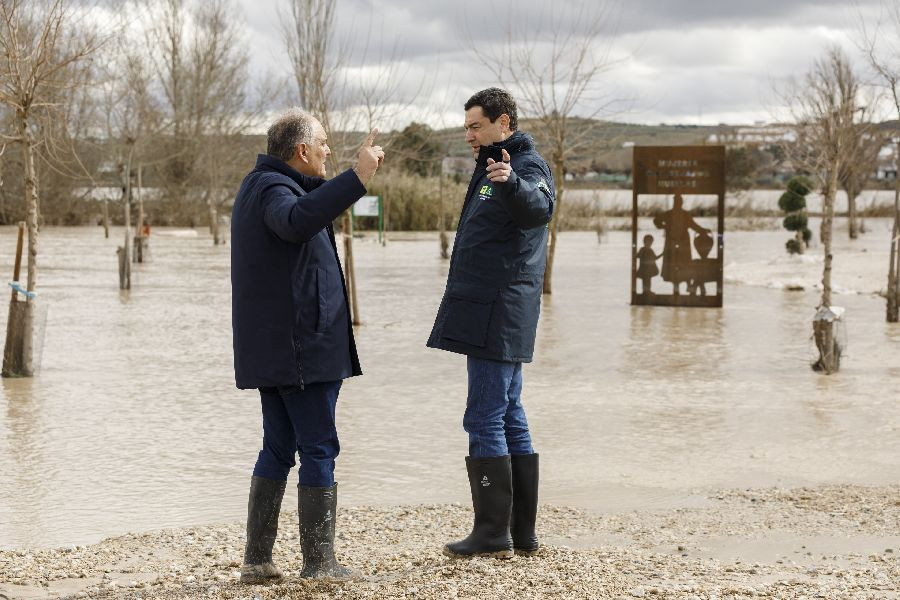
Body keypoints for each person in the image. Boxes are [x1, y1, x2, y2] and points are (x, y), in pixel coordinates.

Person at [230, 108, 384, 583]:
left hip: (281, 351)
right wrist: (357, 176)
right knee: (319, 447)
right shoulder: (275, 191)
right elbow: (295, 220)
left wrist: (350, 177)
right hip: (300, 352)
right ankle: (320, 564)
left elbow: (310, 201)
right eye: (322, 144)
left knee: (277, 449)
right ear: (300, 150)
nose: (327, 150)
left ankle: (258, 562)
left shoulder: (265, 184)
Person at [427, 88, 555, 559]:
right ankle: (520, 535)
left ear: (504, 122)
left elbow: (539, 209)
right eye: (466, 127)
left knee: (483, 415)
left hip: (498, 313)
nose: (468, 135)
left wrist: (509, 183)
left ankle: (491, 533)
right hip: (490, 310)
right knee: (510, 415)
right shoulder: (493, 164)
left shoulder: (525, 167)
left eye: (475, 126)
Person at [652, 193, 710, 295]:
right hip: (672, 242)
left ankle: (688, 285)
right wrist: (663, 227)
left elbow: (693, 225)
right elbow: (656, 220)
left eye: (679, 202)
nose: (677, 203)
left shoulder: (685, 214)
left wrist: (703, 230)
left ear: (681, 203)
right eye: (676, 201)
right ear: (674, 202)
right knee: (673, 265)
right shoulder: (668, 214)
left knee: (685, 263)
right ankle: (676, 289)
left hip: (683, 244)